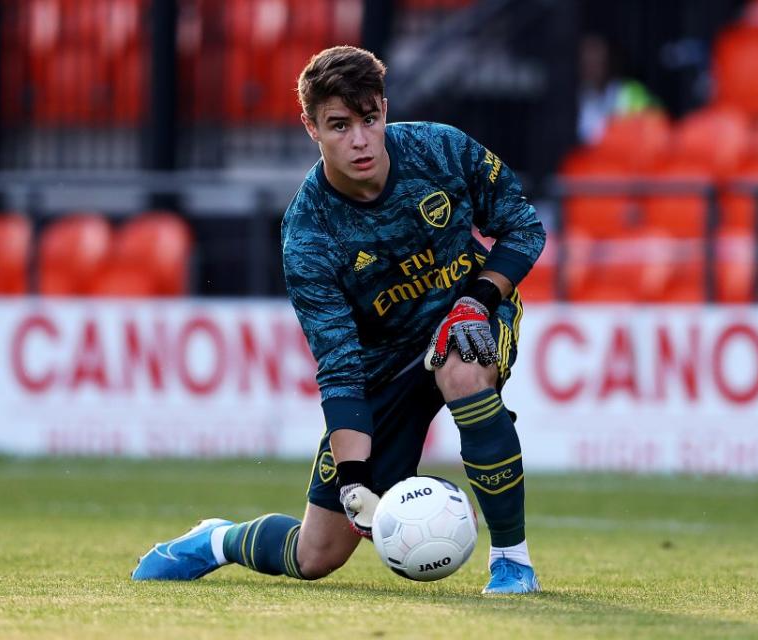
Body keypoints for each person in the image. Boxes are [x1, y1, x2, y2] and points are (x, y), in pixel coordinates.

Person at [132, 45, 546, 594]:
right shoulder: (307, 233)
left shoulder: (441, 150)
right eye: (339, 125)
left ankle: (512, 563)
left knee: (462, 367)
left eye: (369, 119)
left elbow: (523, 228)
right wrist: (354, 482)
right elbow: (339, 362)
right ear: (311, 127)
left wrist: (476, 300)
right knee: (316, 554)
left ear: (384, 110)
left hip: (468, 316)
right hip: (380, 370)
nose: (359, 140)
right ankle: (216, 539)